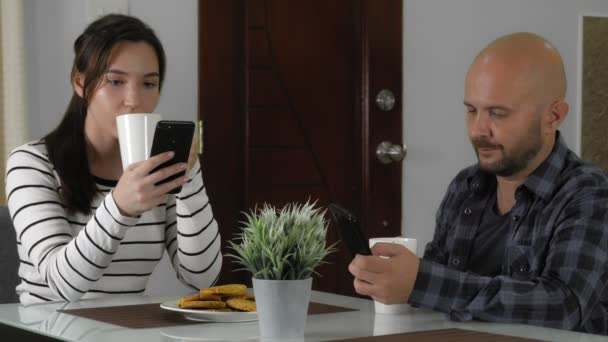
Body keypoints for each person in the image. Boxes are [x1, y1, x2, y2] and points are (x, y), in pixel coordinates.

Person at [349, 32, 608, 334]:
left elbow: (563, 307)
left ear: (553, 116)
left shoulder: (589, 195)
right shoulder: (465, 187)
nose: (478, 129)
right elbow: (436, 295)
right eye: (471, 110)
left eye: (498, 113)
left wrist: (422, 281)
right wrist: (394, 280)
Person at [4, 14, 221, 304]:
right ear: (80, 83)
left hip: (124, 329)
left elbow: (201, 278)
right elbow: (60, 286)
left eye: (148, 84)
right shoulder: (31, 164)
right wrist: (120, 207)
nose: (133, 99)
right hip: (46, 329)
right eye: (116, 81)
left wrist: (190, 177)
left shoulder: (158, 168)